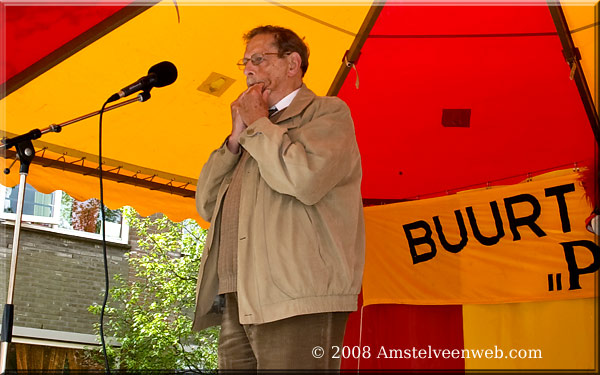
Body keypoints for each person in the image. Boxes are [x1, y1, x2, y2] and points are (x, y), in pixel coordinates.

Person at [192, 25, 365, 370]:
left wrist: (257, 124)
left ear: (292, 63)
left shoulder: (328, 112)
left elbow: (305, 180)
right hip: (238, 296)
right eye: (244, 63)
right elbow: (207, 205)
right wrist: (234, 138)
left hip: (299, 299)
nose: (248, 71)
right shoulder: (254, 131)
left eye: (258, 59)